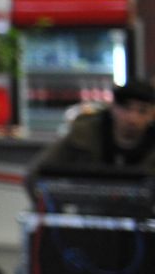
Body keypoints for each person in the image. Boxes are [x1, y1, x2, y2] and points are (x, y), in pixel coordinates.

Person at [26, 78, 155, 200]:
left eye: (142, 111)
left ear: (152, 114)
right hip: (85, 214)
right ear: (113, 107)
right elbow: (37, 173)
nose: (132, 118)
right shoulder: (83, 135)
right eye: (126, 108)